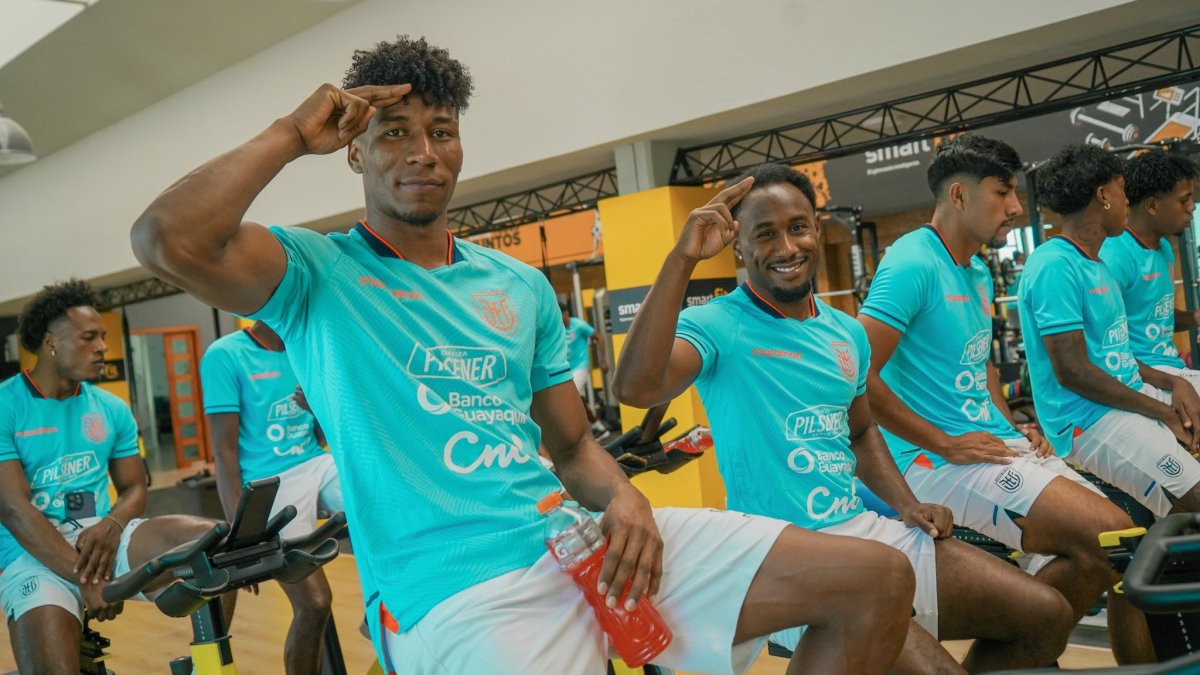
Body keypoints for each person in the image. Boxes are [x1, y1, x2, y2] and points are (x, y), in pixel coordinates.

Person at [130, 36, 916, 674]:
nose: (422, 153)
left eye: (440, 132)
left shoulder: (518, 284)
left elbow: (571, 442)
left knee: (874, 579)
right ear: (355, 152)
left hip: (575, 539)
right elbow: (167, 237)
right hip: (453, 590)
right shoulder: (315, 273)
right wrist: (290, 135)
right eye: (394, 134)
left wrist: (625, 500)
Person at [613, 162, 1073, 673]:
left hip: (860, 527)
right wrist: (681, 259)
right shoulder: (719, 324)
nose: (787, 248)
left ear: (816, 226)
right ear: (738, 246)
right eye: (765, 234)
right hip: (786, 553)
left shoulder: (845, 332)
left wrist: (907, 503)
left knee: (1045, 613)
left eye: (797, 227)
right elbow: (635, 388)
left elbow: (860, 431)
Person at [856, 135, 1148, 662]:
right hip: (928, 460)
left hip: (986, 444)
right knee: (1111, 535)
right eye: (1002, 192)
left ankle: (1020, 642)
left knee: (1114, 547)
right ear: (960, 196)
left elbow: (979, 363)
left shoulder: (976, 269)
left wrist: (1009, 426)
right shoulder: (912, 262)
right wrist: (942, 442)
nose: (1015, 208)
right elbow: (855, 374)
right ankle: (1022, 638)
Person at [0, 280, 218, 675]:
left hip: (99, 539)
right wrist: (85, 578)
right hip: (31, 554)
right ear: (50, 343)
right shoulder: (5, 405)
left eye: (102, 336)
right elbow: (15, 510)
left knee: (209, 543)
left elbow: (135, 486)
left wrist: (113, 523)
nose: (103, 347)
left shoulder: (111, 408)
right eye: (89, 337)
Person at [1018, 144, 1200, 525]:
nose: (1127, 199)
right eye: (1121, 190)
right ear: (1103, 197)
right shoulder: (1054, 265)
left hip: (1127, 399)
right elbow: (1074, 372)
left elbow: (1117, 357)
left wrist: (1173, 384)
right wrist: (1164, 413)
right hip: (1087, 418)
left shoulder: (1094, 263)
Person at [200, 320, 341, 675]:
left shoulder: (307, 346)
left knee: (383, 502)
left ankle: (382, 612)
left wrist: (318, 406)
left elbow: (323, 436)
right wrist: (240, 536)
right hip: (267, 485)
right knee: (315, 603)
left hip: (314, 462)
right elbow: (224, 453)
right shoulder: (225, 355)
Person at [1099, 150, 1199, 386]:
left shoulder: (1162, 247)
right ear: (1153, 206)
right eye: (1184, 200)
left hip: (1170, 366)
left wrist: (1195, 317)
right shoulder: (1114, 257)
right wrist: (1173, 383)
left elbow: (1157, 319)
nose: (1192, 207)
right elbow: (1102, 346)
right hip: (1140, 376)